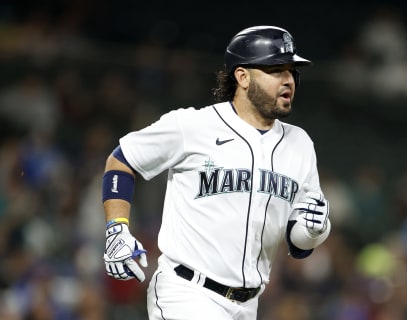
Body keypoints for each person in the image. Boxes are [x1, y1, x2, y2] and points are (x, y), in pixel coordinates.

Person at [102, 25, 331, 320]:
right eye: (276, 70)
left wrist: (315, 230)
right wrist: (116, 227)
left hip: (248, 305)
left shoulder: (299, 144)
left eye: (291, 71)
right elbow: (122, 160)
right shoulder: (193, 126)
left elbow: (298, 242)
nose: (288, 80)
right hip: (186, 293)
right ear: (242, 76)